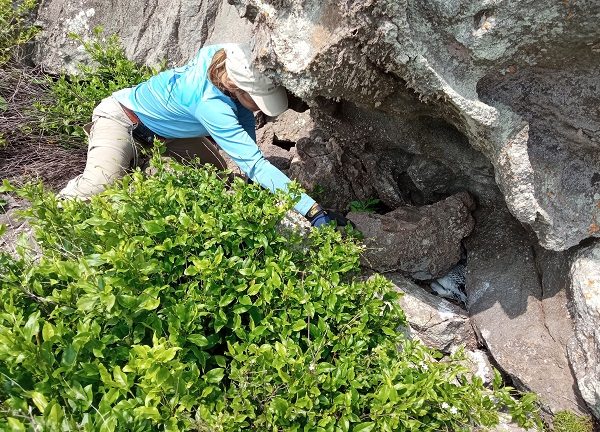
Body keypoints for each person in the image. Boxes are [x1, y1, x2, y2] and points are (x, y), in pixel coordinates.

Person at [59, 43, 341, 227]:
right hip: (122, 119)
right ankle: (60, 205)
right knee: (99, 188)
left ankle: (140, 162)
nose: (260, 108)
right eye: (257, 100)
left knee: (217, 178)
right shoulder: (210, 104)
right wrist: (312, 211)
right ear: (237, 89)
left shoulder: (225, 55)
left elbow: (243, 123)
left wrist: (253, 168)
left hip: (165, 136)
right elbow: (253, 163)